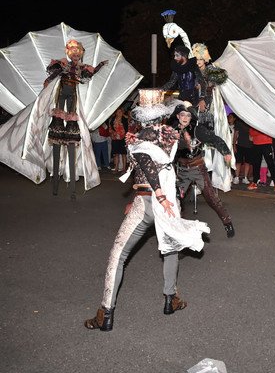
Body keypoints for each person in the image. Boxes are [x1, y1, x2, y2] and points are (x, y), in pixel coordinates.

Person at [84, 89, 210, 331]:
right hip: (166, 202)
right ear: (161, 116)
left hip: (149, 201)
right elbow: (168, 165)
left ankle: (106, 313)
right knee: (170, 247)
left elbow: (147, 167)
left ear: (140, 116)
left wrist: (159, 196)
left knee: (118, 255)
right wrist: (168, 199)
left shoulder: (137, 138)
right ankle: (169, 299)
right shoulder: (170, 136)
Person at [44, 39, 108, 197]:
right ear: (69, 52)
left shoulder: (81, 67)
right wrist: (47, 80)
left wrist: (100, 64)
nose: (76, 56)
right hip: (62, 90)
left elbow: (91, 73)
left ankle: (70, 128)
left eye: (78, 53)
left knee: (72, 114)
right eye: (73, 52)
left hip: (72, 91)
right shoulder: (64, 63)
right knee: (59, 112)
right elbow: (55, 73)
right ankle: (58, 125)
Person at [167, 102, 235, 238]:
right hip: (182, 172)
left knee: (212, 199)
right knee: (175, 199)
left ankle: (227, 222)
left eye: (188, 115)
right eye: (182, 114)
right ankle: (177, 229)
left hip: (198, 169)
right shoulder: (171, 130)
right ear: (178, 116)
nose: (185, 117)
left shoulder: (197, 130)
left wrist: (226, 152)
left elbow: (215, 139)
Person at [160, 45, 207, 112]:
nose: (175, 58)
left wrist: (202, 99)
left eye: (177, 55)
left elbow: (203, 83)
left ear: (183, 56)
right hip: (182, 98)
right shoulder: (176, 68)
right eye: (175, 55)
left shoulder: (193, 67)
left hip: (194, 100)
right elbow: (171, 82)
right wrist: (160, 90)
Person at [232, 117, 253, 185]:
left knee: (247, 162)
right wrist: (234, 145)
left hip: (249, 145)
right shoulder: (239, 123)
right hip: (240, 145)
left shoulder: (251, 123)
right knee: (238, 162)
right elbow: (235, 134)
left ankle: (245, 177)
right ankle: (236, 177)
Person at [109, 108, 128, 174]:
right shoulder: (113, 119)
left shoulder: (124, 119)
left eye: (120, 112)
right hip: (115, 138)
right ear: (116, 112)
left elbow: (127, 129)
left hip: (123, 138)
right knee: (116, 154)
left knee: (123, 154)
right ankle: (116, 168)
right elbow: (110, 128)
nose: (119, 113)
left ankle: (124, 169)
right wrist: (112, 132)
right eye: (118, 112)